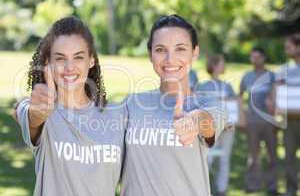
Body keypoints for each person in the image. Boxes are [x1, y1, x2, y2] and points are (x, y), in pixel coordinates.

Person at [13, 17, 127, 196]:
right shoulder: (44, 113)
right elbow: (27, 114)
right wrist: (37, 113)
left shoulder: (118, 115)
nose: (69, 67)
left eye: (78, 57)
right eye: (60, 58)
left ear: (91, 60)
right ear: (48, 63)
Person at [120, 14, 227, 196]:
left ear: (195, 52)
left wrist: (195, 120)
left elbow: (208, 123)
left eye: (180, 49)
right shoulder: (130, 104)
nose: (170, 59)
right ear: (150, 54)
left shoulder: (209, 104)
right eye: (160, 49)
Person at [240, 47, 278, 195]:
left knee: (271, 155)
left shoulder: (271, 76)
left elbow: (279, 97)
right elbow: (239, 96)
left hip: (269, 122)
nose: (254, 60)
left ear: (264, 58)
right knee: (253, 155)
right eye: (252, 57)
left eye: (257, 57)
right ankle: (252, 185)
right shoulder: (246, 76)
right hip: (252, 122)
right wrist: (242, 115)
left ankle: (272, 186)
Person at [196, 54, 235, 196]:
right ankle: (203, 189)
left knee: (225, 159)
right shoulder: (202, 86)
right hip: (209, 130)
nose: (224, 66)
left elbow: (233, 107)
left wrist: (230, 122)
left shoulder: (228, 86)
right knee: (208, 158)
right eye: (222, 63)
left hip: (228, 129)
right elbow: (199, 107)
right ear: (214, 65)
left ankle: (222, 189)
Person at [275, 33, 300, 196]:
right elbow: (278, 91)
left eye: (289, 47)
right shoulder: (283, 69)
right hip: (289, 121)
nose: (286, 50)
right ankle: (291, 189)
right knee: (289, 157)